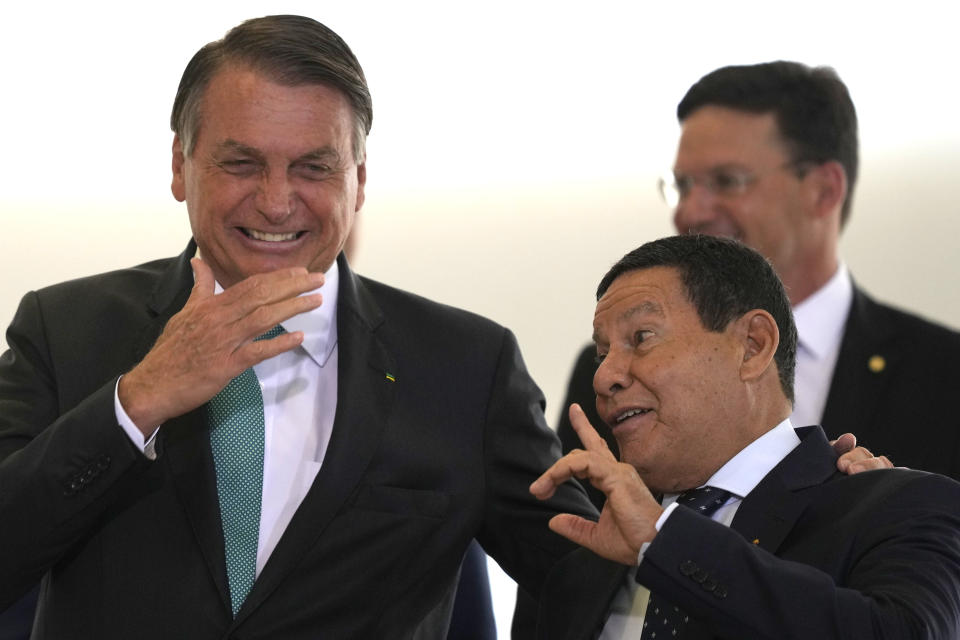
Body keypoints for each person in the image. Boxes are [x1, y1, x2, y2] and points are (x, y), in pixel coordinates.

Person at [0, 15, 595, 638]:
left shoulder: (468, 366)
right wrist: (137, 401)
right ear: (181, 165)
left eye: (314, 168)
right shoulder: (62, 329)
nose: (277, 201)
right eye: (241, 163)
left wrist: (679, 522)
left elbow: (581, 580)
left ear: (359, 180)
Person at [531, 234, 960, 639]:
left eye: (641, 338)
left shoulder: (902, 507)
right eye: (603, 354)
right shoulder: (582, 574)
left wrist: (665, 542)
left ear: (753, 345)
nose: (604, 376)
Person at [556, 61, 960, 491]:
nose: (691, 212)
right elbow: (572, 548)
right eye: (683, 185)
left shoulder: (944, 375)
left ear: (823, 190)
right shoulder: (608, 378)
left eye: (727, 181)